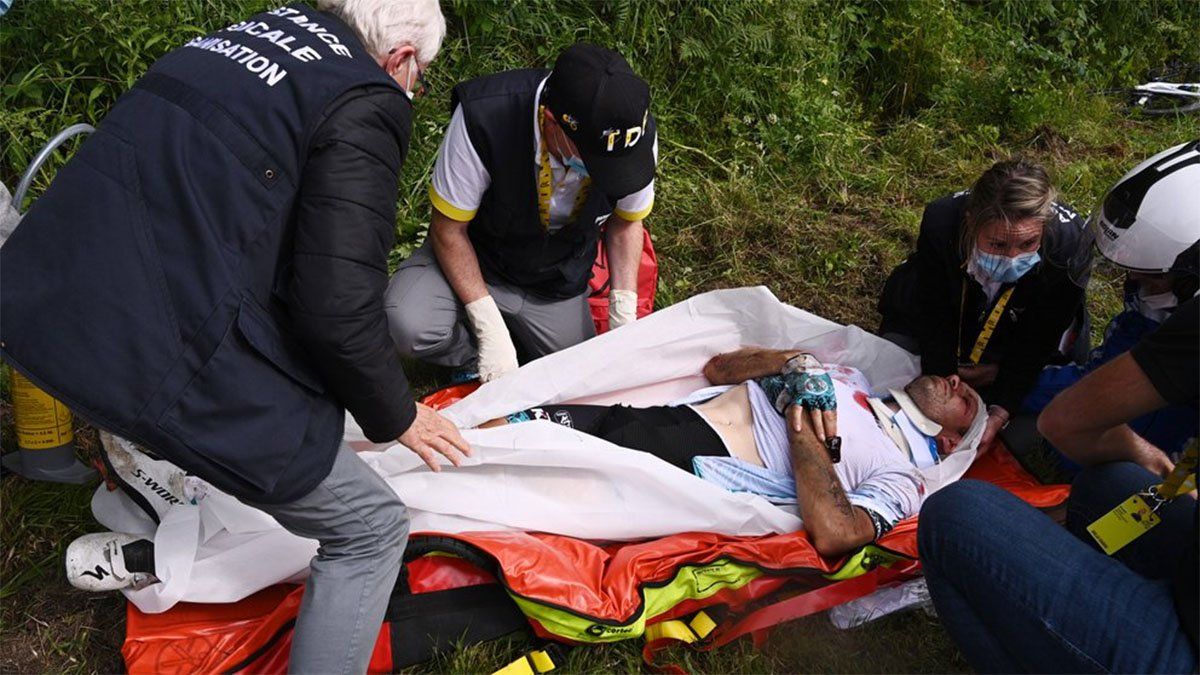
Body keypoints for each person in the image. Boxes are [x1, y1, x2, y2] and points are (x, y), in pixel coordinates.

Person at [1, 2, 468, 672]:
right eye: (418, 77)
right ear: (398, 59)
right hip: (149, 339)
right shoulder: (366, 99)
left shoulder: (252, 34)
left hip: (49, 290)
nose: (413, 92)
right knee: (371, 526)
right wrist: (397, 413)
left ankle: (145, 466)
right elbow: (336, 307)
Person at [484, 347, 985, 556]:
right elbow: (720, 367)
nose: (957, 382)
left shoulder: (905, 479)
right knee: (504, 430)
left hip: (694, 457)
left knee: (506, 471)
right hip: (661, 417)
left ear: (950, 442)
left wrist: (801, 426)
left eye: (965, 400)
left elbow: (837, 534)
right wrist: (792, 361)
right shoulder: (853, 379)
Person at [385, 42, 658, 382]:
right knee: (406, 323)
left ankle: (521, 345)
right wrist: (489, 331)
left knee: (581, 380)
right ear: (551, 123)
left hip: (556, 281)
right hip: (477, 260)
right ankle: (470, 351)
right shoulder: (483, 118)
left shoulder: (630, 137)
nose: (603, 174)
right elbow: (448, 230)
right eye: (592, 160)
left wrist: (623, 317)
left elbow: (626, 225)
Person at [878, 159, 1088, 449]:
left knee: (1027, 426)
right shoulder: (941, 222)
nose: (1012, 257)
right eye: (998, 245)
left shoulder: (1070, 245)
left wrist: (1001, 408)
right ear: (971, 222)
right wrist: (944, 373)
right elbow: (934, 309)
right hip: (948, 320)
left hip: (1020, 332)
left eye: (1028, 244)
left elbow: (1042, 333)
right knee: (896, 367)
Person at [1021, 142, 1200, 473]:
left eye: (1148, 275)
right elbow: (1102, 374)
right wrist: (1011, 381)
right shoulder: (1154, 303)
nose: (1130, 278)